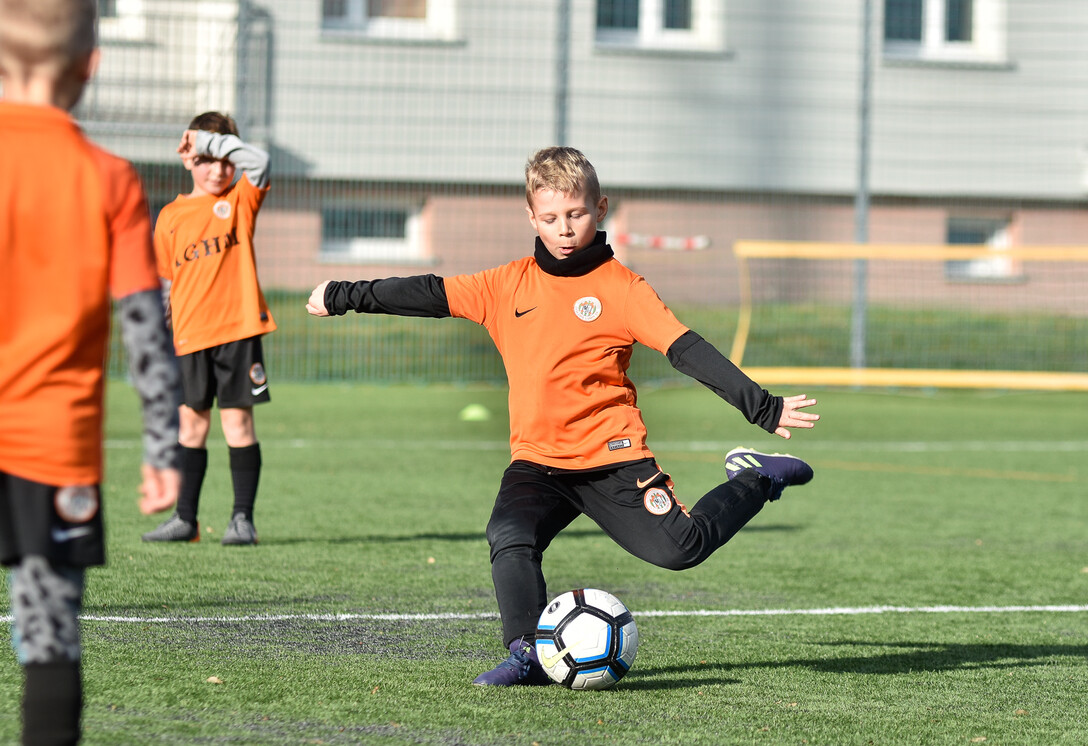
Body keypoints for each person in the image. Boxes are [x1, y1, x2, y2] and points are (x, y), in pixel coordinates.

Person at [305, 146, 820, 686]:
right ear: (532, 217)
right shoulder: (507, 284)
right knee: (509, 533)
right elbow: (432, 292)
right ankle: (527, 653)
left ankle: (757, 477)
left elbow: (686, 349)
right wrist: (345, 295)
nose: (564, 228)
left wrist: (764, 407)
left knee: (681, 550)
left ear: (599, 209)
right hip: (539, 462)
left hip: (611, 460)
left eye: (575, 214)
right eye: (550, 218)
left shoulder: (623, 289)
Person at [0, 0, 183, 741]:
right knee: (48, 635)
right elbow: (145, 331)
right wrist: (164, 452)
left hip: (48, 449)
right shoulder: (108, 178)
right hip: (51, 451)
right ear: (91, 66)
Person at [141, 111, 276, 546]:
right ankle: (186, 520)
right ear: (187, 161)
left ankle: (242, 520)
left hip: (237, 332)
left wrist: (208, 140)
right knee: (191, 428)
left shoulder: (240, 200)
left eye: (224, 158)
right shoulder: (170, 217)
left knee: (237, 425)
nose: (217, 169)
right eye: (205, 159)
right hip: (188, 337)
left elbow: (260, 161)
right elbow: (163, 285)